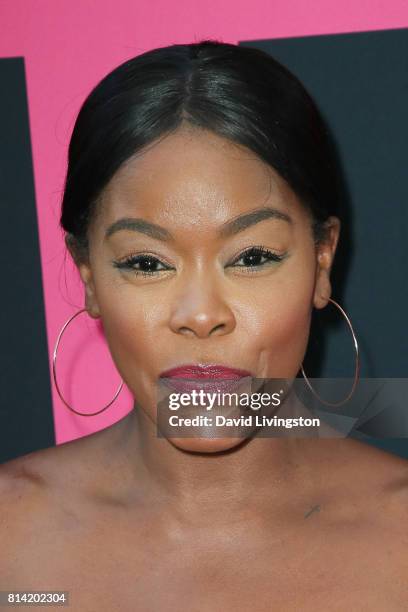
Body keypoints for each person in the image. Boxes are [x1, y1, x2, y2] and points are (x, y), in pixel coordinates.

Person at [1, 40, 407, 611]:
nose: (200, 315)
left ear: (321, 260)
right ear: (89, 274)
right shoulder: (10, 541)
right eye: (146, 263)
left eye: (251, 256)